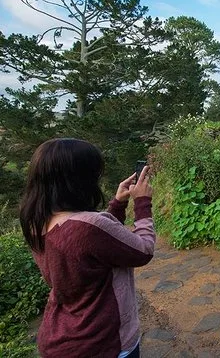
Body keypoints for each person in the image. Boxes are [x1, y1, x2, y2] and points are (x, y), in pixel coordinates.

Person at [18, 138, 155, 358]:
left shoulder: (36, 222)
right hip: (104, 342)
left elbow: (95, 246)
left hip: (61, 337)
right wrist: (143, 203)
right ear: (79, 179)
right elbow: (143, 250)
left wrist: (118, 204)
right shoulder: (89, 226)